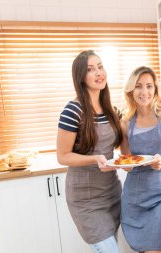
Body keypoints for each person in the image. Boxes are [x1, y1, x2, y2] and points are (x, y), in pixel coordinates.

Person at [56, 50, 122, 253]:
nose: (98, 73)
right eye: (91, 69)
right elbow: (62, 156)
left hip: (111, 193)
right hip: (85, 200)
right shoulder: (72, 111)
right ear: (81, 77)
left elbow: (129, 134)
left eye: (100, 67)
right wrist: (94, 159)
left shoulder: (112, 110)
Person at [119, 66, 161, 253]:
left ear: (155, 89)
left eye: (149, 86)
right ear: (131, 90)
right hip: (135, 198)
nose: (144, 92)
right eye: (139, 86)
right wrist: (117, 163)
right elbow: (128, 165)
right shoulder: (125, 123)